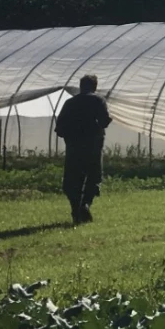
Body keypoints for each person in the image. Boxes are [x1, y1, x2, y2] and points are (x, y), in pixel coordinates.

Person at [54, 75, 111, 224]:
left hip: (74, 147)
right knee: (93, 177)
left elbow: (59, 128)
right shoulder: (98, 101)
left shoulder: (70, 103)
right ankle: (85, 204)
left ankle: (75, 209)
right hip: (93, 146)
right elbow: (104, 121)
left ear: (80, 86)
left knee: (73, 178)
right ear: (95, 86)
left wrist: (71, 137)